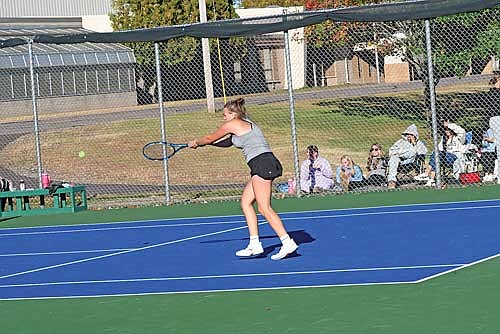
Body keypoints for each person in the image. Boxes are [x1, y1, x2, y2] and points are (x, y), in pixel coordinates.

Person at [188, 97, 298, 260]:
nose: (223, 117)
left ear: (233, 114)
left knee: (264, 208)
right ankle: (255, 244)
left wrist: (197, 142)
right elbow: (226, 142)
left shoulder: (232, 124)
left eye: (225, 114)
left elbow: (211, 137)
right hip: (261, 164)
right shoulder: (245, 124)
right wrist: (206, 144)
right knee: (246, 202)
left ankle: (287, 242)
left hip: (263, 163)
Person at [415, 121, 467, 186]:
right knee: (435, 154)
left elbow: (462, 131)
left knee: (437, 154)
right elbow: (439, 149)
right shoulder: (444, 139)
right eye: (445, 129)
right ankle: (431, 180)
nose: (446, 131)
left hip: (455, 157)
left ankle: (426, 173)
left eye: (448, 129)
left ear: (452, 130)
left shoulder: (458, 138)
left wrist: (449, 125)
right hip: (444, 158)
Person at [387, 124, 428, 189]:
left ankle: (405, 153)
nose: (409, 136)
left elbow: (423, 152)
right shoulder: (400, 142)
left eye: (411, 134)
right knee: (394, 158)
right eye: (407, 134)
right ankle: (392, 181)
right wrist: (401, 153)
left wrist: (414, 145)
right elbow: (391, 151)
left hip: (411, 162)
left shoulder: (419, 143)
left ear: (415, 135)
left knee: (413, 151)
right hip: (399, 162)